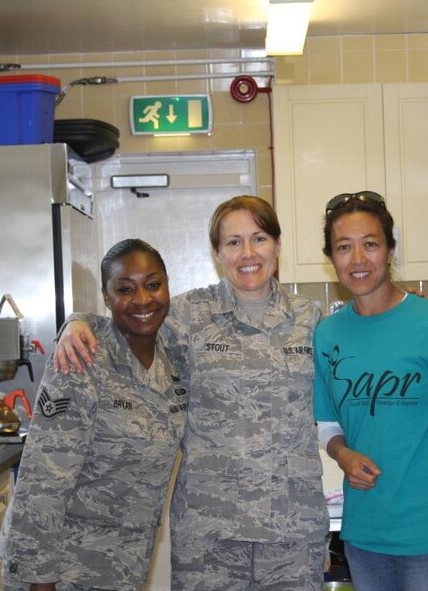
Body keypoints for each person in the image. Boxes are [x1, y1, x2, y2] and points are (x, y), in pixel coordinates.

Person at [53, 196, 329, 590]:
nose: (247, 253)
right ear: (216, 252)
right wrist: (77, 322)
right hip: (210, 537)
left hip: (292, 532)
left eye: (259, 238)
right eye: (233, 242)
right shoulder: (187, 314)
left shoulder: (310, 318)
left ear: (278, 244)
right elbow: (127, 323)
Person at [0, 239, 187, 591]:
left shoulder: (173, 357)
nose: (143, 299)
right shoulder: (82, 358)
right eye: (125, 289)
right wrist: (41, 579)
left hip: (124, 564)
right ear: (106, 297)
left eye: (153, 284)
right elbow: (44, 476)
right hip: (64, 565)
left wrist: (75, 318)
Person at [313, 191, 428, 591]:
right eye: (344, 247)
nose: (358, 260)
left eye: (370, 244)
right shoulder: (328, 335)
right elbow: (328, 424)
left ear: (390, 249)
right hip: (365, 529)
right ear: (331, 257)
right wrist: (344, 455)